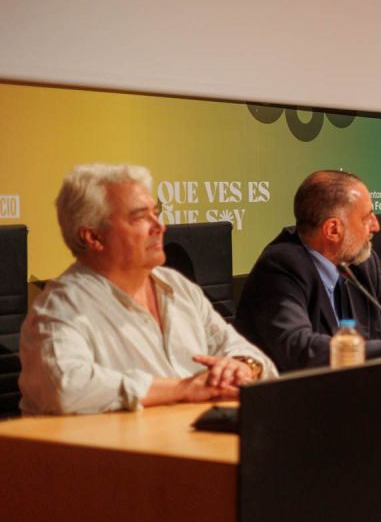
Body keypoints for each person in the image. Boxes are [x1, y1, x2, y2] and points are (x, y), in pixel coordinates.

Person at [19, 163, 276, 415]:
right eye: (140, 217)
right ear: (93, 237)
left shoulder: (177, 286)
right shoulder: (61, 308)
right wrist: (183, 389)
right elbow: (66, 387)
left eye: (156, 213)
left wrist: (243, 367)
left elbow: (244, 352)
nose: (159, 226)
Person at [235, 170, 381, 372]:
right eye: (367, 217)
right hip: (299, 398)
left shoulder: (362, 262)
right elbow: (298, 347)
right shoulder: (280, 267)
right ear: (333, 229)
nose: (376, 226)